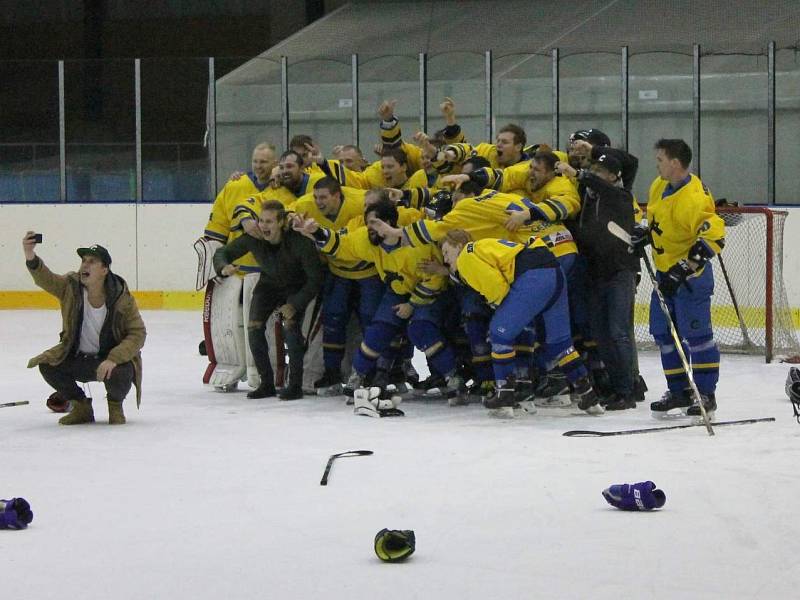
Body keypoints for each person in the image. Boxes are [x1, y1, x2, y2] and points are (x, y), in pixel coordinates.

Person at [439, 231, 602, 417]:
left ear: (458, 245)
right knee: (560, 342)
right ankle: (588, 396)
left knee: (499, 333)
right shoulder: (484, 246)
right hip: (554, 273)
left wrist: (506, 315)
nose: (445, 259)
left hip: (533, 276)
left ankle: (504, 397)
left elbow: (497, 288)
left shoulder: (466, 257)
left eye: (446, 251)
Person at [638, 139, 725, 419]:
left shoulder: (694, 198)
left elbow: (714, 236)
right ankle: (679, 391)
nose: (657, 164)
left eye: (661, 160)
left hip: (691, 279)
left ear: (675, 163)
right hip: (664, 274)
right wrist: (644, 233)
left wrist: (685, 267)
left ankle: (705, 394)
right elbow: (655, 220)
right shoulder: (658, 186)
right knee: (664, 334)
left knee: (697, 337)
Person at [23, 234, 145, 425]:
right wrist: (30, 255)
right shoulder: (70, 287)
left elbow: (138, 333)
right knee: (47, 364)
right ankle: (81, 407)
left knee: (124, 370)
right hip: (78, 359)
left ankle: (115, 406)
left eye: (92, 261)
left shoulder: (121, 297)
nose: (84, 265)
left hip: (109, 361)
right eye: (83, 261)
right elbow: (46, 279)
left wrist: (114, 358)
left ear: (104, 270)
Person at [213, 201, 324, 400]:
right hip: (268, 286)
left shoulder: (299, 241)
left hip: (296, 286)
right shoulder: (254, 237)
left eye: (269, 221)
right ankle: (266, 383)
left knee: (291, 328)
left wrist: (295, 304)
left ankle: (295, 385)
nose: (264, 226)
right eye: (261, 220)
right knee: (254, 328)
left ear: (282, 222)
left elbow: (315, 278)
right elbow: (223, 252)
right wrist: (223, 267)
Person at [198, 142, 278, 391]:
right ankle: (231, 367)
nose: (258, 166)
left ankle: (264, 371)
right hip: (238, 273)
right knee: (232, 325)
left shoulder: (281, 189)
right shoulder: (235, 186)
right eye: (255, 160)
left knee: (259, 325)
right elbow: (216, 231)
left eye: (264, 161)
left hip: (269, 273)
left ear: (274, 163)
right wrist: (217, 265)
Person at [563, 153, 639, 410]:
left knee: (618, 332)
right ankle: (616, 388)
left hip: (619, 271)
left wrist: (580, 174)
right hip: (595, 273)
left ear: (613, 176)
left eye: (600, 170)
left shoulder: (620, 196)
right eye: (593, 169)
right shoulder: (588, 199)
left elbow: (606, 182)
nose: (594, 174)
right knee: (602, 334)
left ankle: (627, 389)